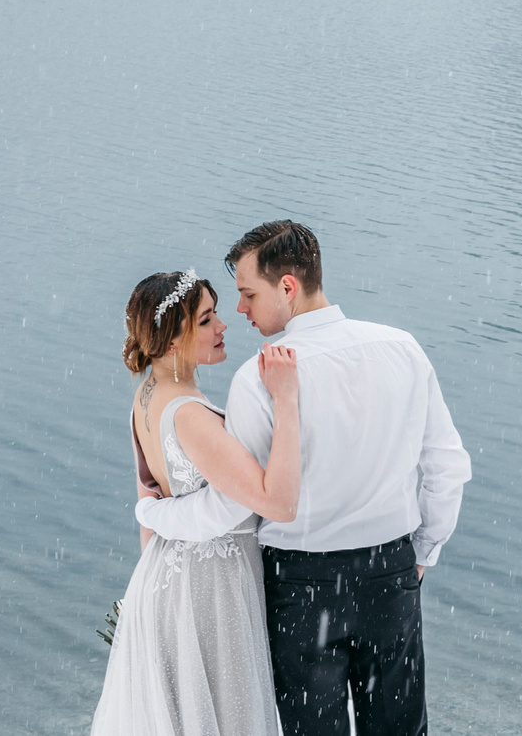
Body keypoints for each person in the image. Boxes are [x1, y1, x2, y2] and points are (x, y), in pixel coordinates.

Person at [136, 222, 469, 736]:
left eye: (248, 294)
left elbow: (236, 503)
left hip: (300, 587)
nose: (241, 310)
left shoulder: (257, 380)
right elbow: (446, 466)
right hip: (391, 574)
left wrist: (153, 511)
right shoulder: (402, 349)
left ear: (286, 287)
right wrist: (422, 553)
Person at [90, 268, 303, 736]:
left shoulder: (146, 396)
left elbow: (147, 496)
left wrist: (158, 596)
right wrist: (286, 401)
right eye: (206, 320)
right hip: (211, 588)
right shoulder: (189, 415)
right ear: (172, 341)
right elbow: (276, 502)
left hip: (164, 578)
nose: (223, 325)